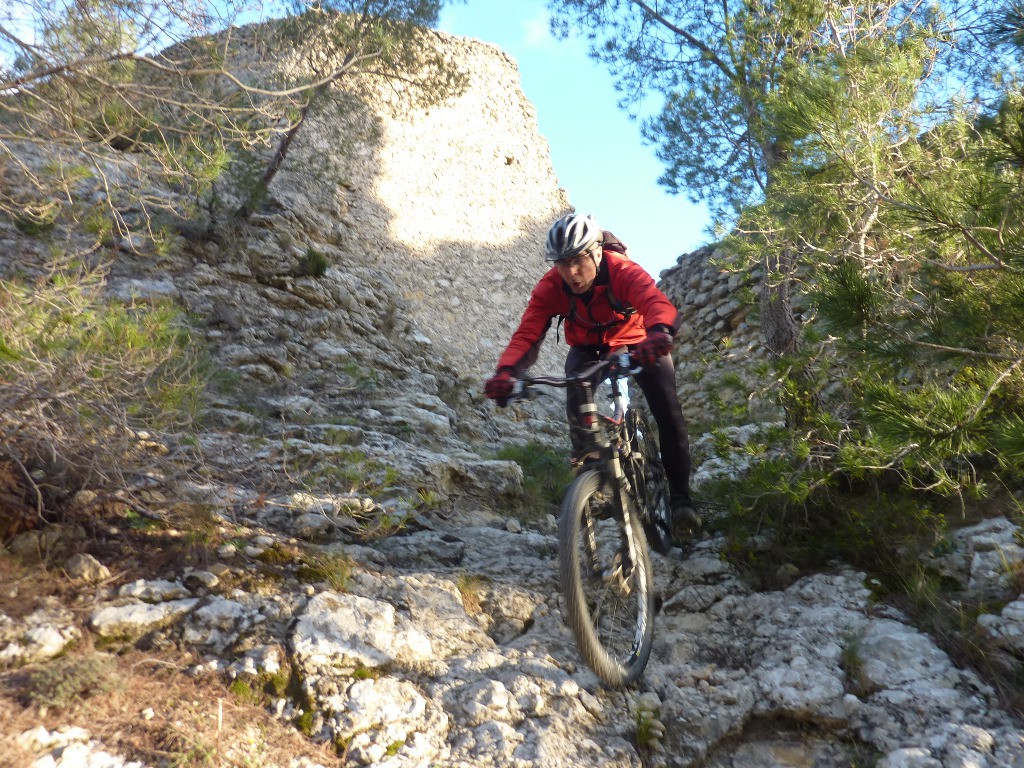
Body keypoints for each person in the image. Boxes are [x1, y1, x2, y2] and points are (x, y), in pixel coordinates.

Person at [484, 212, 700, 547]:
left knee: (668, 412)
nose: (570, 272)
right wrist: (507, 372)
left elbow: (656, 302)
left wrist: (659, 334)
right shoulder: (550, 287)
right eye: (561, 263)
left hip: (638, 341)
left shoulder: (621, 270)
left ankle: (681, 499)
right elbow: (528, 332)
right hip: (588, 348)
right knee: (576, 395)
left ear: (596, 252)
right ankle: (592, 476)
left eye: (577, 261)